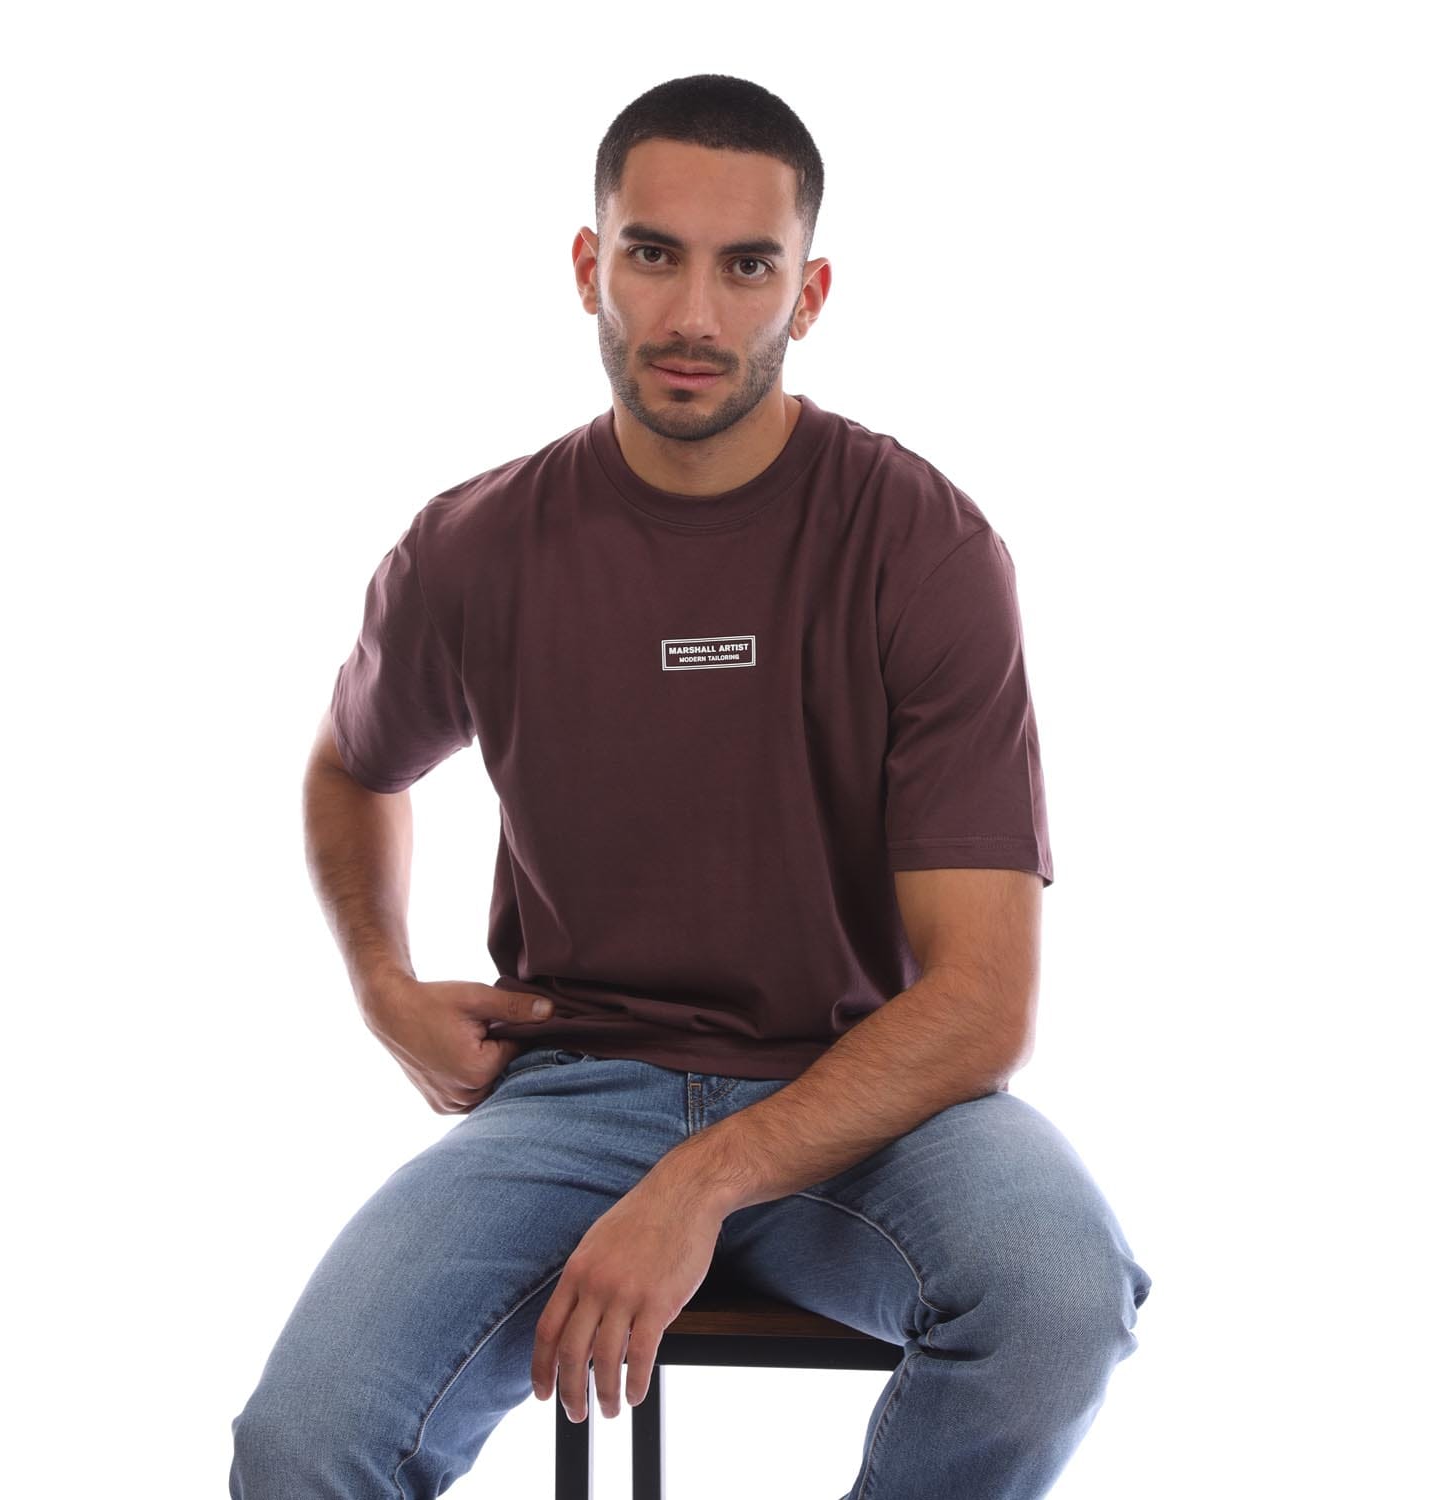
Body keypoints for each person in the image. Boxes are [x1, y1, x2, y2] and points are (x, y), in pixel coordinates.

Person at [229, 72, 1152, 1499]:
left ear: (810, 293)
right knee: (302, 1444)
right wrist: (380, 983)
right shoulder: (475, 548)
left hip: (869, 1102)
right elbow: (353, 765)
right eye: (654, 254)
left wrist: (701, 1184)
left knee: (1056, 1299)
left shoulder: (920, 544)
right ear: (589, 265)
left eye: (748, 267)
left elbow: (982, 1002)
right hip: (573, 1093)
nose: (695, 317)